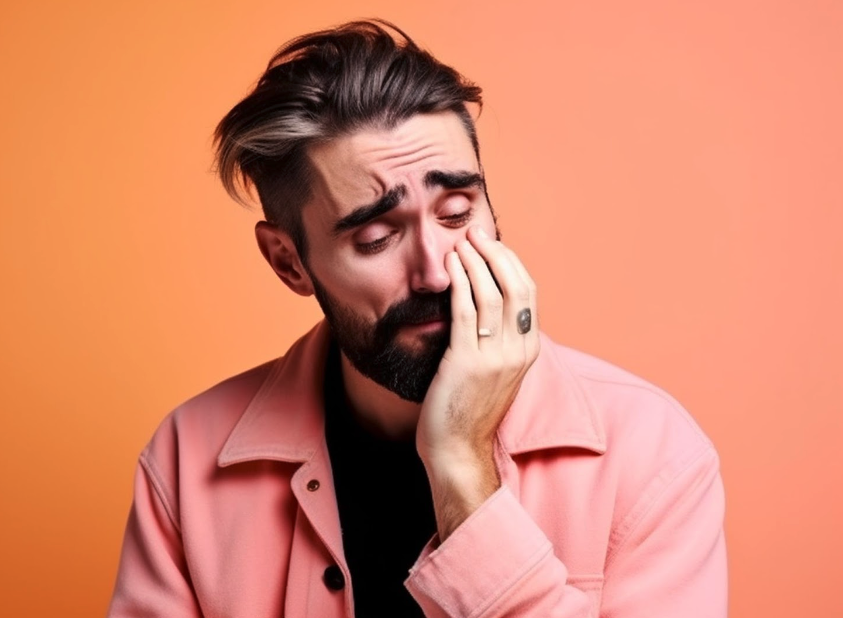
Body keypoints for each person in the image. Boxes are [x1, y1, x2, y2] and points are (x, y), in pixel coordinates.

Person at [107, 19, 727, 618]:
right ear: (288, 263)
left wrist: (461, 466)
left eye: (458, 212)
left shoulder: (652, 455)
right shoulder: (188, 460)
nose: (436, 272)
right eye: (376, 237)